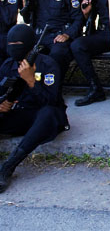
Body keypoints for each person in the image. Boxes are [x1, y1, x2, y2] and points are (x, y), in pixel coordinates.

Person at [0, 24, 68, 193]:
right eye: (11, 44)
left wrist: (31, 82)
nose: (13, 48)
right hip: (20, 114)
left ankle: (8, 167)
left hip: (45, 117)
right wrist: (3, 104)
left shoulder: (47, 64)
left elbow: (51, 101)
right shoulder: (7, 66)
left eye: (17, 44)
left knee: (48, 113)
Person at [21, 0, 83, 77]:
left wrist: (67, 34)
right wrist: (26, 2)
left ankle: (54, 89)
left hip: (59, 35)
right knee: (26, 56)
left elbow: (78, 18)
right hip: (39, 36)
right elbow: (27, 18)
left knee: (57, 55)